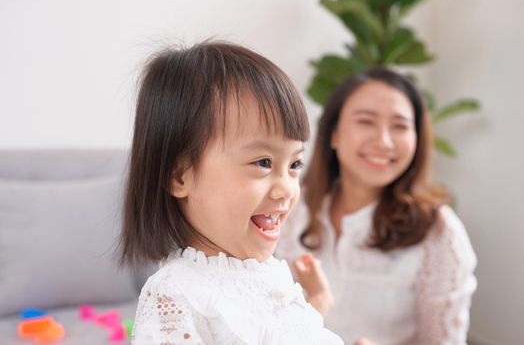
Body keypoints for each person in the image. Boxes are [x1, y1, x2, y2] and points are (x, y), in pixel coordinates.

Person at [118, 41, 343, 344]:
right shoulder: (176, 295)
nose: (287, 189)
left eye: (295, 164)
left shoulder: (267, 274)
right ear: (179, 175)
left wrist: (317, 300)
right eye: (263, 162)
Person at [277, 68, 477, 345]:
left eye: (400, 126)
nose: (384, 141)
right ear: (333, 134)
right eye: (366, 121)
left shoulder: (438, 232)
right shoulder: (288, 207)